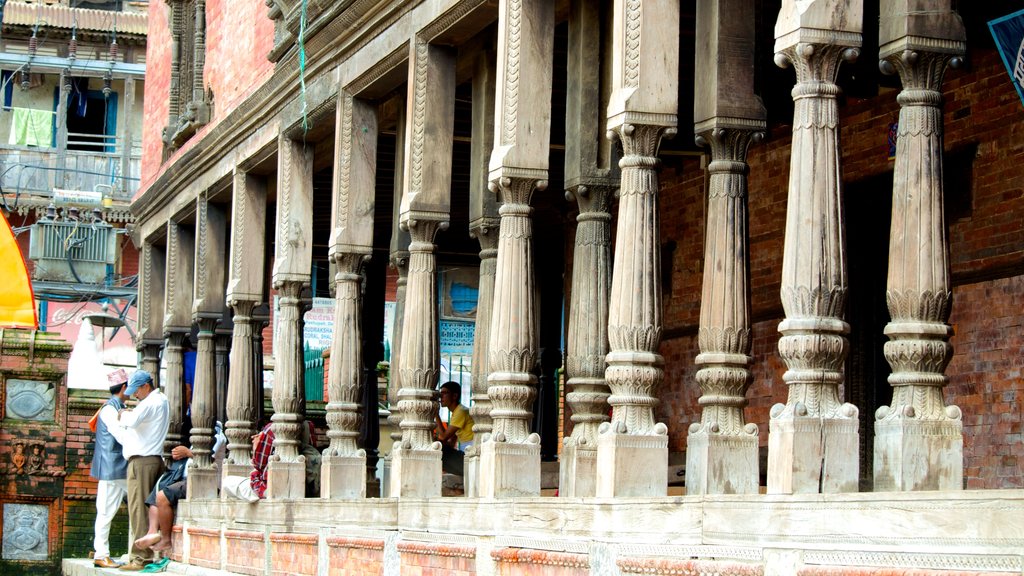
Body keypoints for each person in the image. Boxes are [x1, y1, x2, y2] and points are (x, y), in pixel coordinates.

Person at [135, 423, 226, 554]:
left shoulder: (217, 437)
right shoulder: (197, 437)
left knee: (162, 496)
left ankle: (166, 540)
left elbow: (208, 459)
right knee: (156, 491)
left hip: (204, 480)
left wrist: (187, 452)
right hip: (184, 477)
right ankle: (152, 532)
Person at [115, 369, 169, 572]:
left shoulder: (151, 402)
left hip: (142, 462)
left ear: (146, 386)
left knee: (138, 509)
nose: (134, 395)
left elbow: (131, 421)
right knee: (147, 508)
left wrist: (122, 414)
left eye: (136, 391)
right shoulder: (160, 400)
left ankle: (141, 557)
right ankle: (144, 553)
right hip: (152, 459)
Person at [90, 369, 130, 569]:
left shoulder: (114, 407)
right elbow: (120, 434)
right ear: (124, 387)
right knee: (108, 510)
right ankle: (101, 553)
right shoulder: (110, 409)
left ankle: (103, 552)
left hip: (114, 467)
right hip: (114, 467)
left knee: (106, 510)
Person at [435, 381, 474, 476]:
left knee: (439, 451)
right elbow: (450, 443)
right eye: (441, 394)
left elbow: (444, 437)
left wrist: (435, 414)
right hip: (465, 454)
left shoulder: (461, 411)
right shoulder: (456, 412)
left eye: (445, 393)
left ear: (455, 396)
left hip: (471, 456)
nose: (441, 397)